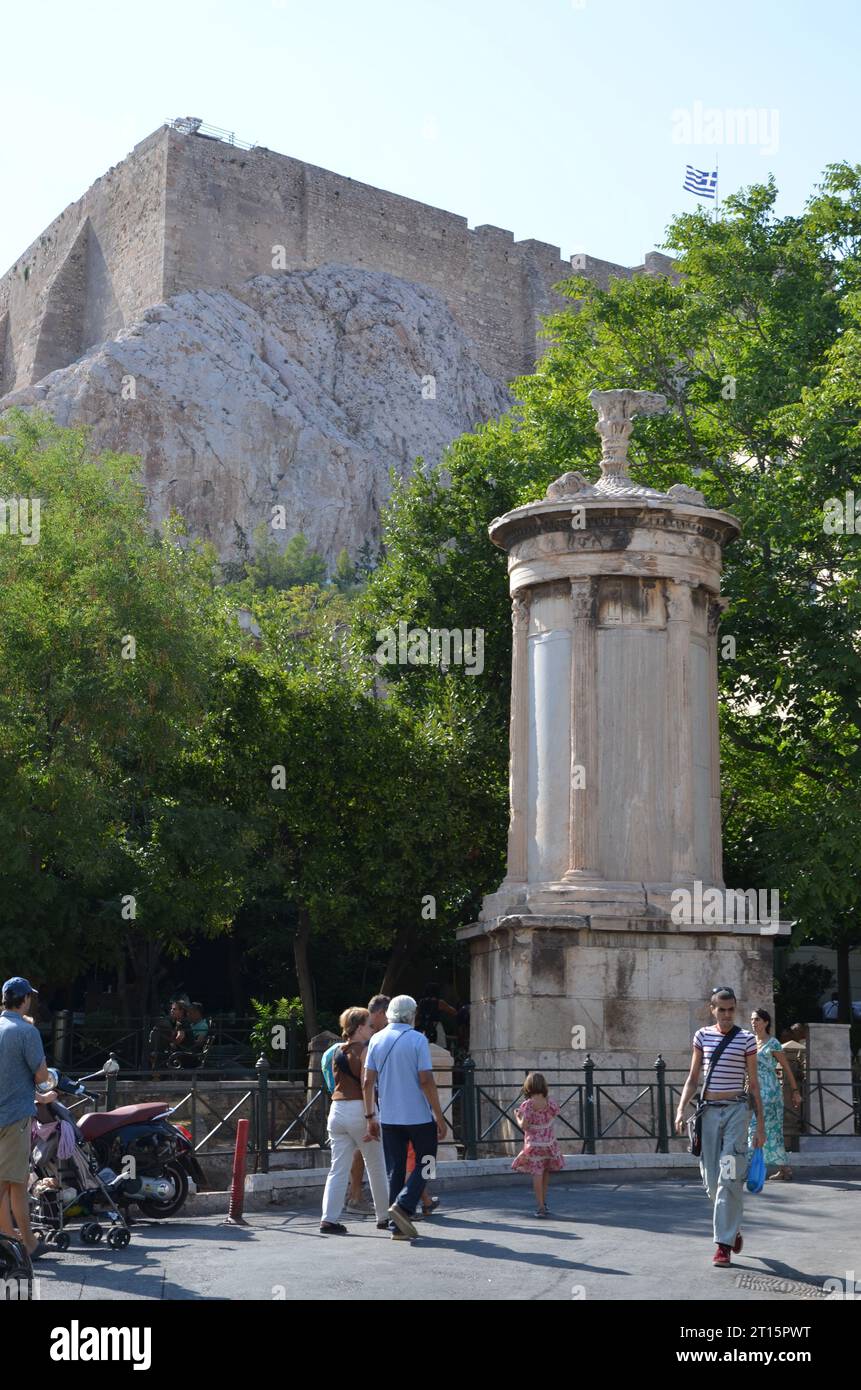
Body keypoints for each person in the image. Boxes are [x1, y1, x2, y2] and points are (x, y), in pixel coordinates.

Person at [675, 986, 765, 1268]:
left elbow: (753, 1084)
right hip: (709, 1114)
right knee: (712, 1181)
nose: (726, 1015)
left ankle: (722, 1245)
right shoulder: (702, 1036)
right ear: (712, 1009)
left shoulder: (747, 1040)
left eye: (730, 1010)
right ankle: (733, 1226)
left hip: (737, 1112)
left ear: (734, 1009)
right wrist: (680, 1108)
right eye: (721, 1009)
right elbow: (693, 1077)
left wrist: (760, 1125)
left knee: (729, 1175)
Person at [363, 995, 447, 1241]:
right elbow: (425, 1080)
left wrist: (370, 1116)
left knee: (395, 1168)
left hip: (389, 1117)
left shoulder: (376, 1040)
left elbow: (368, 1081)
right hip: (418, 1116)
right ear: (412, 1015)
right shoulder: (417, 1039)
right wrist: (439, 1117)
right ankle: (404, 1205)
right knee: (428, 1160)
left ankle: (396, 1226)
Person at [320, 1008, 390, 1235]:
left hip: (337, 1110)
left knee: (337, 1168)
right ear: (359, 1027)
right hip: (359, 1109)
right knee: (376, 1165)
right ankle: (384, 1217)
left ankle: (328, 1219)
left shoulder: (337, 1051)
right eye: (370, 1025)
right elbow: (366, 1084)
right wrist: (371, 1117)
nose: (373, 1028)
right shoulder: (365, 1051)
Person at [0, 978, 50, 1260]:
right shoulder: (26, 1031)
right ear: (25, 999)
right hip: (15, 1117)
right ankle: (18, 1243)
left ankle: (23, 1242)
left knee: (15, 1183)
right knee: (9, 1183)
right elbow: (42, 1075)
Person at [749, 1009, 801, 1181]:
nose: (753, 1023)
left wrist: (795, 1091)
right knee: (762, 1128)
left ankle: (755, 1168)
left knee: (764, 1128)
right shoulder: (750, 1042)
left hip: (770, 1092)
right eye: (752, 1020)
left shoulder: (773, 1043)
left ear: (765, 1022)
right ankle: (784, 1168)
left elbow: (786, 1068)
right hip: (754, 1090)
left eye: (757, 1019)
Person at [512, 1072, 565, 1216]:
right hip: (548, 1143)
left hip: (534, 1144)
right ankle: (544, 1201)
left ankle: (540, 1206)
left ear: (528, 1086)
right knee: (546, 1171)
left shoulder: (528, 1105)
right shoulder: (550, 1102)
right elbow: (554, 1114)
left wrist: (518, 1117)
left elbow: (524, 1126)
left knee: (536, 1172)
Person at [414, 982, 458, 1048]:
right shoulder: (439, 1002)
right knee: (439, 1049)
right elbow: (454, 1012)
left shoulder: (421, 1002)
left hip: (423, 1027)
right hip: (436, 1026)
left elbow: (417, 1014)